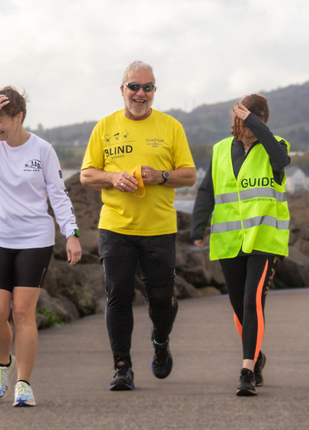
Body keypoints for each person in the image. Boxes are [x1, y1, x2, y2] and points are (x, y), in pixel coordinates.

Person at [80, 61, 196, 391]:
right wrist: (113, 177)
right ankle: (122, 367)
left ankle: (160, 341)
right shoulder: (104, 127)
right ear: (122, 89)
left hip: (159, 229)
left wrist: (160, 176)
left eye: (147, 87)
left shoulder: (171, 127)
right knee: (118, 296)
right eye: (134, 86)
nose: (140, 93)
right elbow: (87, 175)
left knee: (161, 300)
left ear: (154, 91)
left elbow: (189, 175)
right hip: (116, 228)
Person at [0, 86, 82, 407]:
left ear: (19, 116)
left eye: (0, 119)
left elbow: (58, 194)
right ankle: (4, 363)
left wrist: (71, 233)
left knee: (22, 312)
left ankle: (24, 383)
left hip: (35, 239)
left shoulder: (42, 149)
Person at [190, 94, 290, 396]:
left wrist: (255, 123)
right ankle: (257, 354)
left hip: (264, 239)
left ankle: (247, 369)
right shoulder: (220, 150)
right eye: (243, 120)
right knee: (237, 304)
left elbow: (280, 160)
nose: (246, 128)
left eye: (253, 122)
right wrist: (198, 226)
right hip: (229, 240)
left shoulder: (277, 147)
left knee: (252, 300)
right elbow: (207, 191)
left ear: (263, 121)